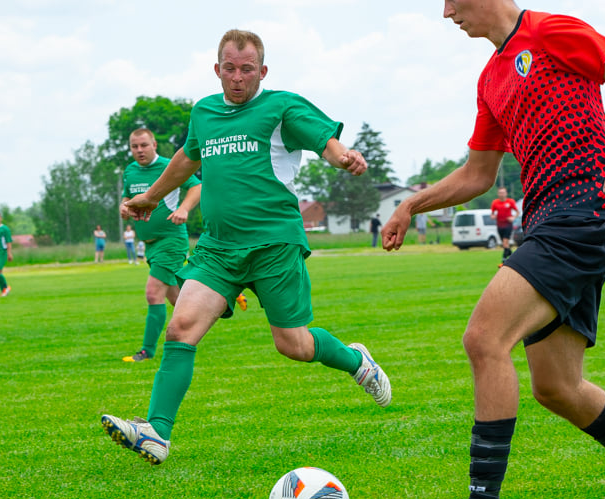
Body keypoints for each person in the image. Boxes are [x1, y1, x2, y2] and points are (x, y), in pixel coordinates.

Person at [381, 1, 605, 499]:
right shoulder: (490, 78)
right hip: (545, 222)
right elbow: (478, 173)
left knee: (485, 338)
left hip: (583, 212)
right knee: (556, 387)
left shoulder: (550, 31)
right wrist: (414, 203)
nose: (447, 11)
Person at [101, 29, 391, 466]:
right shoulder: (204, 112)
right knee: (181, 330)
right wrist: (150, 197)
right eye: (230, 69)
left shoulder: (280, 106)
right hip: (218, 248)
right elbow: (186, 160)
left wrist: (342, 156)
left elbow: (323, 141)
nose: (238, 78)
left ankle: (356, 361)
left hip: (274, 244)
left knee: (292, 344)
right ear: (217, 69)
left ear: (263, 71)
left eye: (247, 69)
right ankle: (157, 432)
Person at [120, 127, 202, 362]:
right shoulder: (130, 171)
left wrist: (184, 209)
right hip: (150, 246)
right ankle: (222, 299)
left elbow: (197, 186)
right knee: (178, 297)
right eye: (134, 146)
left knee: (153, 292)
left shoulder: (170, 165)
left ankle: (147, 351)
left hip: (171, 240)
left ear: (154, 144)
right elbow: (127, 197)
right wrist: (124, 207)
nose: (139, 150)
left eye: (144, 145)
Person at [490, 187, 519, 262]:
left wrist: (513, 217)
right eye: (500, 193)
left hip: (508, 224)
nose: (502, 194)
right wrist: (493, 216)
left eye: (503, 193)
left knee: (505, 242)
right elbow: (492, 214)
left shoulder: (510, 202)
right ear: (498, 194)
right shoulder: (495, 202)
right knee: (504, 244)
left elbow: (517, 212)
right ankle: (512, 256)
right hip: (499, 225)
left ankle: (504, 259)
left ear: (506, 193)